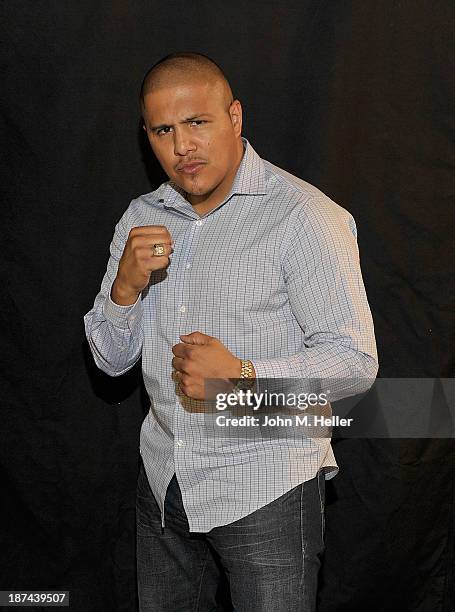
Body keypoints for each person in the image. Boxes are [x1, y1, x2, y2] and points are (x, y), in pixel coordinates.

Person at [84, 52, 378, 611]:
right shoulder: (142, 216)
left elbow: (355, 361)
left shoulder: (304, 217)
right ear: (148, 135)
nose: (182, 146)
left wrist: (241, 376)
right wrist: (123, 290)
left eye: (197, 122)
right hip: (165, 478)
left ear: (236, 118)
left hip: (264, 483)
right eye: (164, 130)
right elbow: (110, 363)